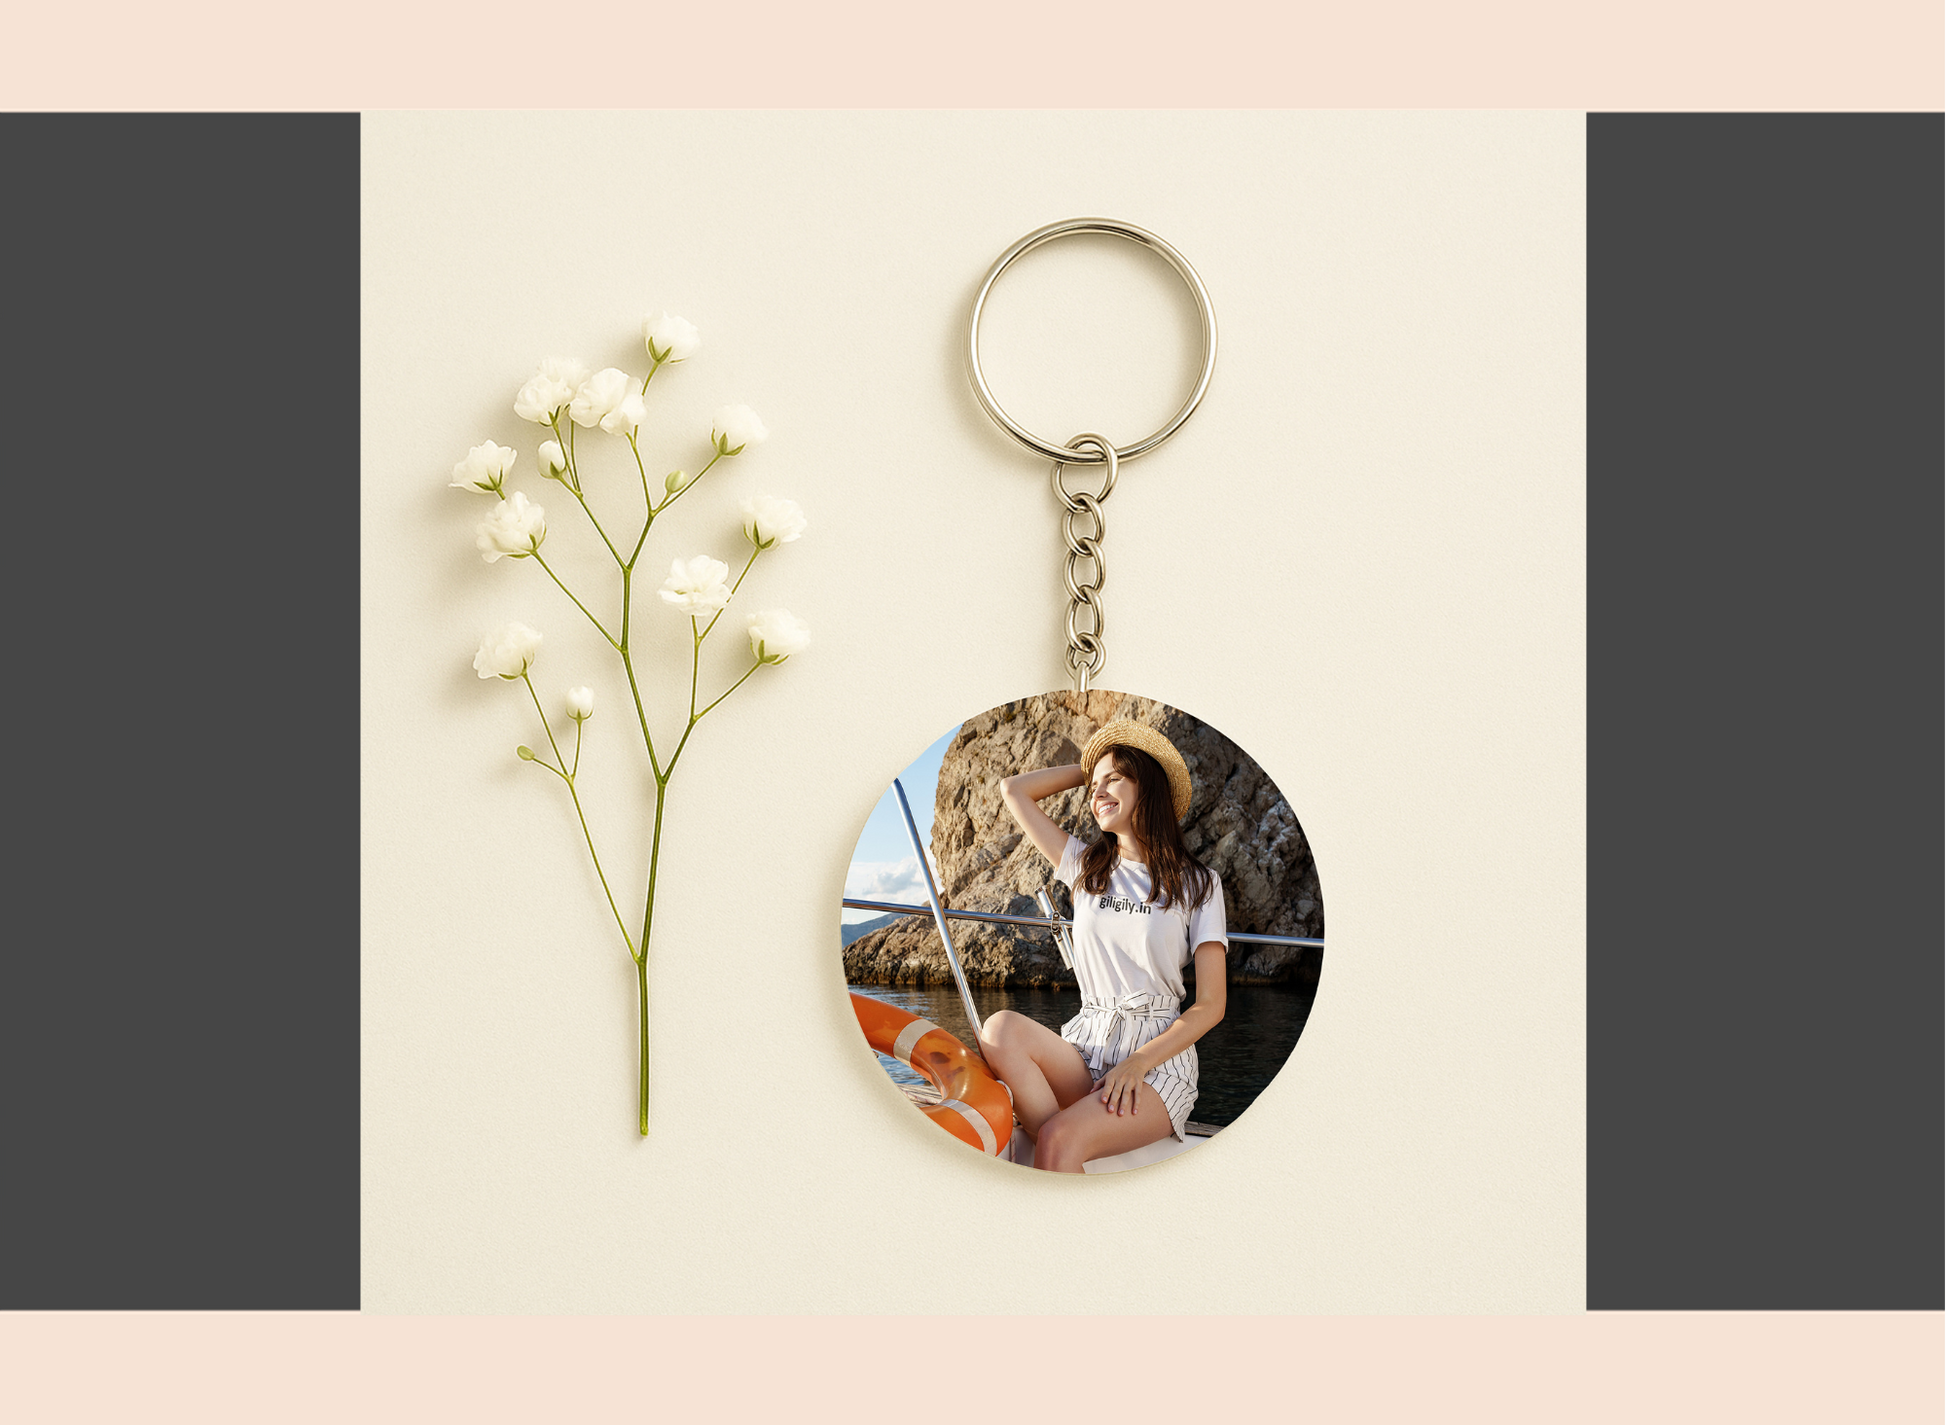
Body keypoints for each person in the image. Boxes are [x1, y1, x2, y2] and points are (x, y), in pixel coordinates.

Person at [982, 719, 1227, 1172]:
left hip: (1155, 1059)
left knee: (1055, 1137)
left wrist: (1135, 1064)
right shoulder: (1084, 864)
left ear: (1148, 787)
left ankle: (1066, 1145)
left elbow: (1211, 1005)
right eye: (1094, 786)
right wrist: (1090, 769)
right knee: (1000, 1030)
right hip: (1086, 1042)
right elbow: (1013, 790)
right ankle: (1071, 1147)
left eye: (1115, 778)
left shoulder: (1200, 884)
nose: (1097, 792)